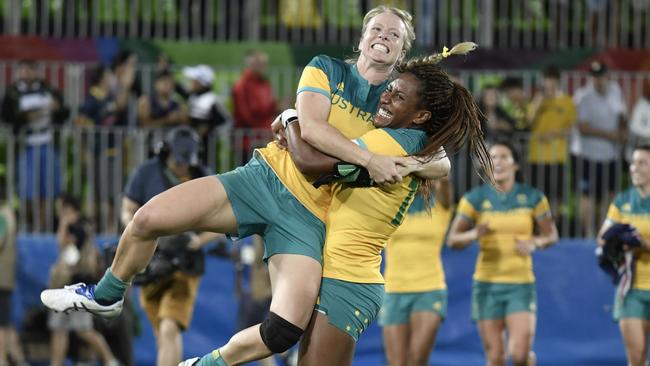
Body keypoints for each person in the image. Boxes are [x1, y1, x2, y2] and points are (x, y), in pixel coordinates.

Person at [41, 6, 450, 366]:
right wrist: (367, 158)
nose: (383, 36)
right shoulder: (326, 67)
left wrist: (413, 161)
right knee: (147, 219)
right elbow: (310, 130)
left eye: (394, 34)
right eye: (377, 28)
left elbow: (442, 160)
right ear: (362, 38)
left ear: (402, 52)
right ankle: (109, 294)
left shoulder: (393, 104)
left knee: (284, 330)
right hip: (263, 179)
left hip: (310, 217)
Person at [293, 49, 493, 366]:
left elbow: (307, 161)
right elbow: (440, 162)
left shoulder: (392, 143)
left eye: (398, 96)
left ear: (420, 116)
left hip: (351, 280)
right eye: (389, 88)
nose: (384, 97)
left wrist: (291, 119)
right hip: (354, 279)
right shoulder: (406, 147)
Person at [447, 141, 559, 366]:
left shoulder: (533, 197)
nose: (497, 162)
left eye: (503, 157)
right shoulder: (474, 199)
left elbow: (551, 235)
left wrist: (534, 243)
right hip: (486, 285)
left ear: (515, 165)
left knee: (519, 355)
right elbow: (453, 240)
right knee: (496, 357)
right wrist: (473, 234)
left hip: (520, 284)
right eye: (492, 157)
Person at [120, 126, 221, 366]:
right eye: (179, 160)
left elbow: (223, 222)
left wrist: (198, 240)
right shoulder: (146, 173)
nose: (184, 166)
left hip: (184, 265)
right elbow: (127, 208)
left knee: (169, 328)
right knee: (161, 332)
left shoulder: (203, 176)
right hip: (151, 262)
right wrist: (137, 229)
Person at [379, 177, 453, 366]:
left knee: (418, 358)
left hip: (429, 289)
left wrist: (431, 157)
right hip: (394, 291)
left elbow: (445, 179)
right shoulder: (392, 204)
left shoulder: (441, 205)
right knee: (396, 362)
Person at [47, 194, 119, 366]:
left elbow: (62, 244)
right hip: (65, 287)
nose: (59, 213)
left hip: (79, 286)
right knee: (59, 329)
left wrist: (64, 224)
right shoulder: (79, 227)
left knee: (83, 329)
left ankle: (110, 360)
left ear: (70, 209)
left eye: (62, 209)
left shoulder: (79, 228)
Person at [597, 143, 650, 366]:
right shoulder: (622, 201)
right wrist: (619, 241)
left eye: (642, 163)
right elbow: (602, 238)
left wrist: (644, 244)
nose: (634, 168)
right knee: (636, 359)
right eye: (633, 163)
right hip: (631, 290)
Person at [1, 59, 69, 231]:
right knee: (27, 192)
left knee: (48, 192)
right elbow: (8, 117)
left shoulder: (48, 90)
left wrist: (56, 109)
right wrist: (30, 116)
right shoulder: (12, 93)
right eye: (23, 69)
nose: (26, 73)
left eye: (30, 69)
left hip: (47, 142)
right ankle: (29, 227)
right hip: (26, 146)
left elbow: (63, 113)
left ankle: (44, 228)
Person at [571, 61, 627, 237]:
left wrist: (623, 129)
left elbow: (621, 115)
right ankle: (588, 233)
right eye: (595, 77)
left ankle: (604, 231)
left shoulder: (616, 90)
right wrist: (610, 135)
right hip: (587, 154)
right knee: (587, 195)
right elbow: (583, 127)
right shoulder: (582, 96)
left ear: (607, 76)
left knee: (609, 193)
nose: (598, 80)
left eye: (601, 76)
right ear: (591, 78)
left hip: (610, 154)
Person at [527, 65, 576, 223]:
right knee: (537, 194)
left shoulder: (567, 101)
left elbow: (571, 128)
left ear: (558, 82)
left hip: (557, 156)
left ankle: (553, 225)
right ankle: (537, 225)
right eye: (547, 80)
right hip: (536, 157)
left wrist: (554, 134)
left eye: (553, 81)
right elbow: (529, 122)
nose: (550, 84)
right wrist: (538, 102)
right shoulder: (536, 99)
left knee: (556, 196)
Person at [232, 50, 290, 161]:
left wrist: (278, 107)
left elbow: (267, 106)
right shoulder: (242, 86)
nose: (264, 66)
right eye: (260, 63)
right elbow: (246, 116)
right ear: (250, 64)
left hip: (263, 138)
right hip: (248, 140)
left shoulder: (264, 83)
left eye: (264, 63)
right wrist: (275, 108)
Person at [0, 184, 28, 366]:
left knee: (1, 323)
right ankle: (19, 359)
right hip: (6, 278)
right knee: (6, 322)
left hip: (0, 278)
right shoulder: (8, 213)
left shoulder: (2, 215)